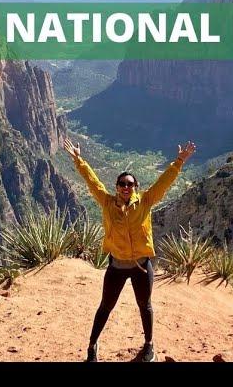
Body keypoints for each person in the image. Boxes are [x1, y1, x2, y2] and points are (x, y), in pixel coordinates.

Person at [63, 138, 196, 362]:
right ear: (116, 187)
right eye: (122, 184)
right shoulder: (107, 203)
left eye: (130, 184)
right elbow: (92, 182)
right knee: (105, 306)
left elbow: (163, 183)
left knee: (145, 306)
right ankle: (92, 346)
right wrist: (78, 160)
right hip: (116, 266)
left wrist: (179, 162)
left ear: (136, 187)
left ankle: (149, 345)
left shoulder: (145, 201)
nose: (126, 187)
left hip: (142, 267)